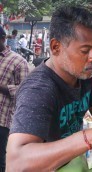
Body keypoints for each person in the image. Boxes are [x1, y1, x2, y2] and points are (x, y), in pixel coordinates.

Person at [6, 6, 92, 171]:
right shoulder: (38, 90)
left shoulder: (83, 74)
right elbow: (17, 161)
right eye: (85, 51)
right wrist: (91, 137)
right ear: (56, 47)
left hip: (73, 157)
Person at [0, 26, 29, 172]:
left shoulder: (18, 61)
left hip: (3, 119)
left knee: (1, 158)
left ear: (3, 39)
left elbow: (24, 91)